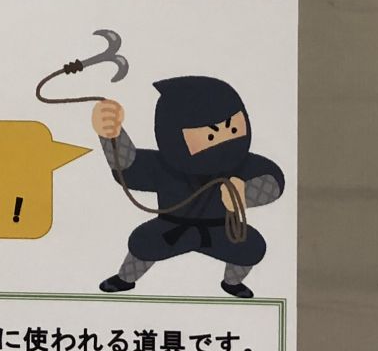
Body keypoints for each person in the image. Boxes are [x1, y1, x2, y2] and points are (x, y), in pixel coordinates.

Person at [92, 76, 284, 298]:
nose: (222, 140)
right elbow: (130, 170)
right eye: (210, 135)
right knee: (143, 243)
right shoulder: (165, 166)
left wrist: (246, 194)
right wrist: (112, 137)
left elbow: (273, 180)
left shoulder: (240, 163)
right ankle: (125, 279)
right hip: (171, 228)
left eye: (233, 129)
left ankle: (232, 282)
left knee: (251, 247)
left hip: (223, 230)